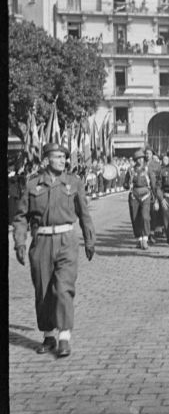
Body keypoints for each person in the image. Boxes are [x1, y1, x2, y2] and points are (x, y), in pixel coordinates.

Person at [12, 143, 95, 357]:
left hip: (67, 241)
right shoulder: (32, 186)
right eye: (57, 157)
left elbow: (84, 214)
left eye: (63, 157)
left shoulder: (74, 183)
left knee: (63, 288)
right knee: (43, 290)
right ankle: (49, 335)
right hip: (41, 242)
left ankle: (64, 337)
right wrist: (20, 243)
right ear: (47, 160)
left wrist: (89, 239)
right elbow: (21, 217)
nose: (62, 161)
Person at [124, 149, 157, 250]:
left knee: (145, 217)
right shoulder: (130, 170)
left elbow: (153, 184)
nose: (141, 160)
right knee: (135, 218)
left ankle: (145, 238)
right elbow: (125, 184)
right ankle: (139, 239)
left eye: (142, 158)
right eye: (138, 159)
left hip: (146, 195)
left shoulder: (147, 169)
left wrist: (155, 199)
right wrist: (126, 184)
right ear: (135, 160)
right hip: (134, 196)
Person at [145, 147, 162, 244]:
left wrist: (157, 192)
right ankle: (144, 234)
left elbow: (159, 179)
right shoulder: (142, 164)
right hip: (144, 192)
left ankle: (151, 233)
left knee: (153, 214)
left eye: (149, 153)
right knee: (144, 214)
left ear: (152, 154)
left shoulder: (156, 165)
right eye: (146, 153)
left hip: (153, 192)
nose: (147, 155)